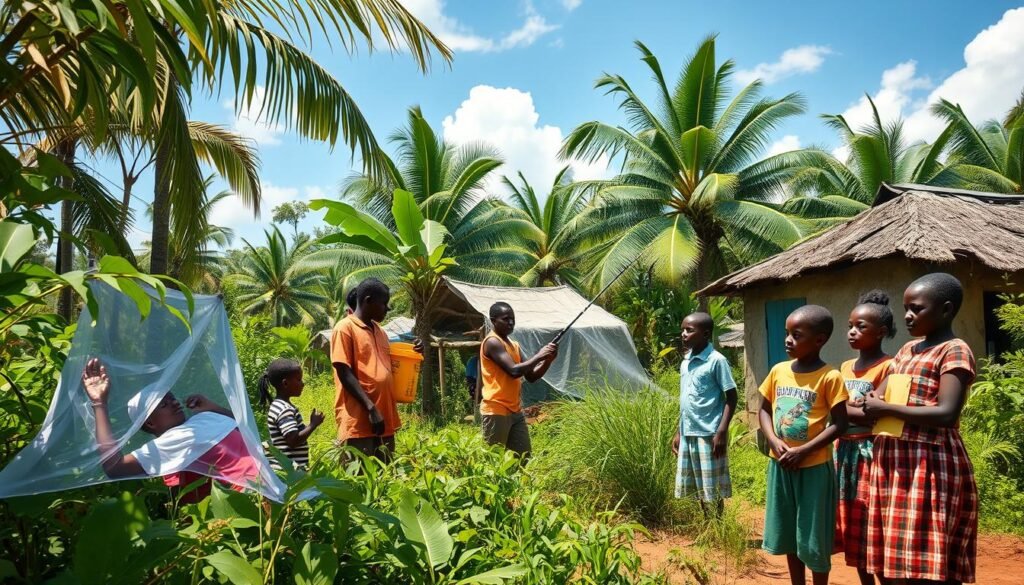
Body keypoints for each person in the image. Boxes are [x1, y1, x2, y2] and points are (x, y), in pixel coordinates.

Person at [862, 273, 978, 585]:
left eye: (917, 308)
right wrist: (873, 403)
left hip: (929, 463)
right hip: (892, 460)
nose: (908, 316)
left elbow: (946, 413)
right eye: (906, 308)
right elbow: (877, 395)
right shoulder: (906, 351)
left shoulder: (954, 350)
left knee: (926, 557)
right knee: (893, 557)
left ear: (946, 310)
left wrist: (885, 408)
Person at [81, 357, 260, 502]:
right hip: (256, 493)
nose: (175, 402)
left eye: (173, 398)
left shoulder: (201, 418)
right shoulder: (172, 441)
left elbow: (244, 427)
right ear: (150, 423)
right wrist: (99, 403)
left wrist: (211, 406)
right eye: (165, 404)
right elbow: (114, 467)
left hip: (259, 488)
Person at [758, 305, 849, 585]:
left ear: (819, 340)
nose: (788, 340)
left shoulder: (829, 377)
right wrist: (774, 441)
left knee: (813, 538)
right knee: (788, 535)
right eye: (787, 333)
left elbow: (839, 424)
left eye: (796, 335)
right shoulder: (778, 371)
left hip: (813, 470)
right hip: (781, 466)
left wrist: (803, 450)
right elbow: (764, 409)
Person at [835, 291, 894, 585]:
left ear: (881, 332)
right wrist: (851, 410)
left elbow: (873, 414)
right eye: (850, 326)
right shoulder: (845, 367)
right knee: (852, 525)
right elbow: (838, 409)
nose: (852, 332)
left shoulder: (890, 367)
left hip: (872, 454)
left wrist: (847, 411)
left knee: (874, 525)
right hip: (843, 453)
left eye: (861, 327)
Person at [670, 312, 737, 517]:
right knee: (698, 485)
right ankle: (707, 522)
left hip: (709, 433)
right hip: (689, 432)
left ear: (705, 333)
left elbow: (732, 397)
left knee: (712, 485)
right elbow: (686, 399)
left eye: (689, 330)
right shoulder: (686, 361)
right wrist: (679, 431)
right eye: (682, 329)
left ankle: (717, 524)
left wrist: (722, 431)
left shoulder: (716, 361)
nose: (684, 334)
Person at [330, 278, 403, 463]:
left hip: (384, 419)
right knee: (358, 480)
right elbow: (343, 371)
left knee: (384, 479)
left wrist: (417, 349)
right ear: (368, 300)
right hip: (360, 420)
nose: (387, 309)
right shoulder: (345, 328)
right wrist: (371, 408)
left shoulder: (380, 331)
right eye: (384, 303)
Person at [479, 302, 558, 458]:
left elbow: (531, 376)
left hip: (515, 410)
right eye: (506, 319)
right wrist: (540, 355)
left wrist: (548, 360)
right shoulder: (493, 342)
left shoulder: (514, 345)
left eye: (513, 319)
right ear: (493, 320)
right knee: (493, 461)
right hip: (496, 409)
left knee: (523, 458)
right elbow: (514, 371)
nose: (511, 323)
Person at [259, 358, 324, 470]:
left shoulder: (279, 405)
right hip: (289, 473)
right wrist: (313, 425)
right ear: (285, 383)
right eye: (299, 380)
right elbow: (293, 441)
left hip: (288, 470)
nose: (302, 384)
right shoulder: (284, 409)